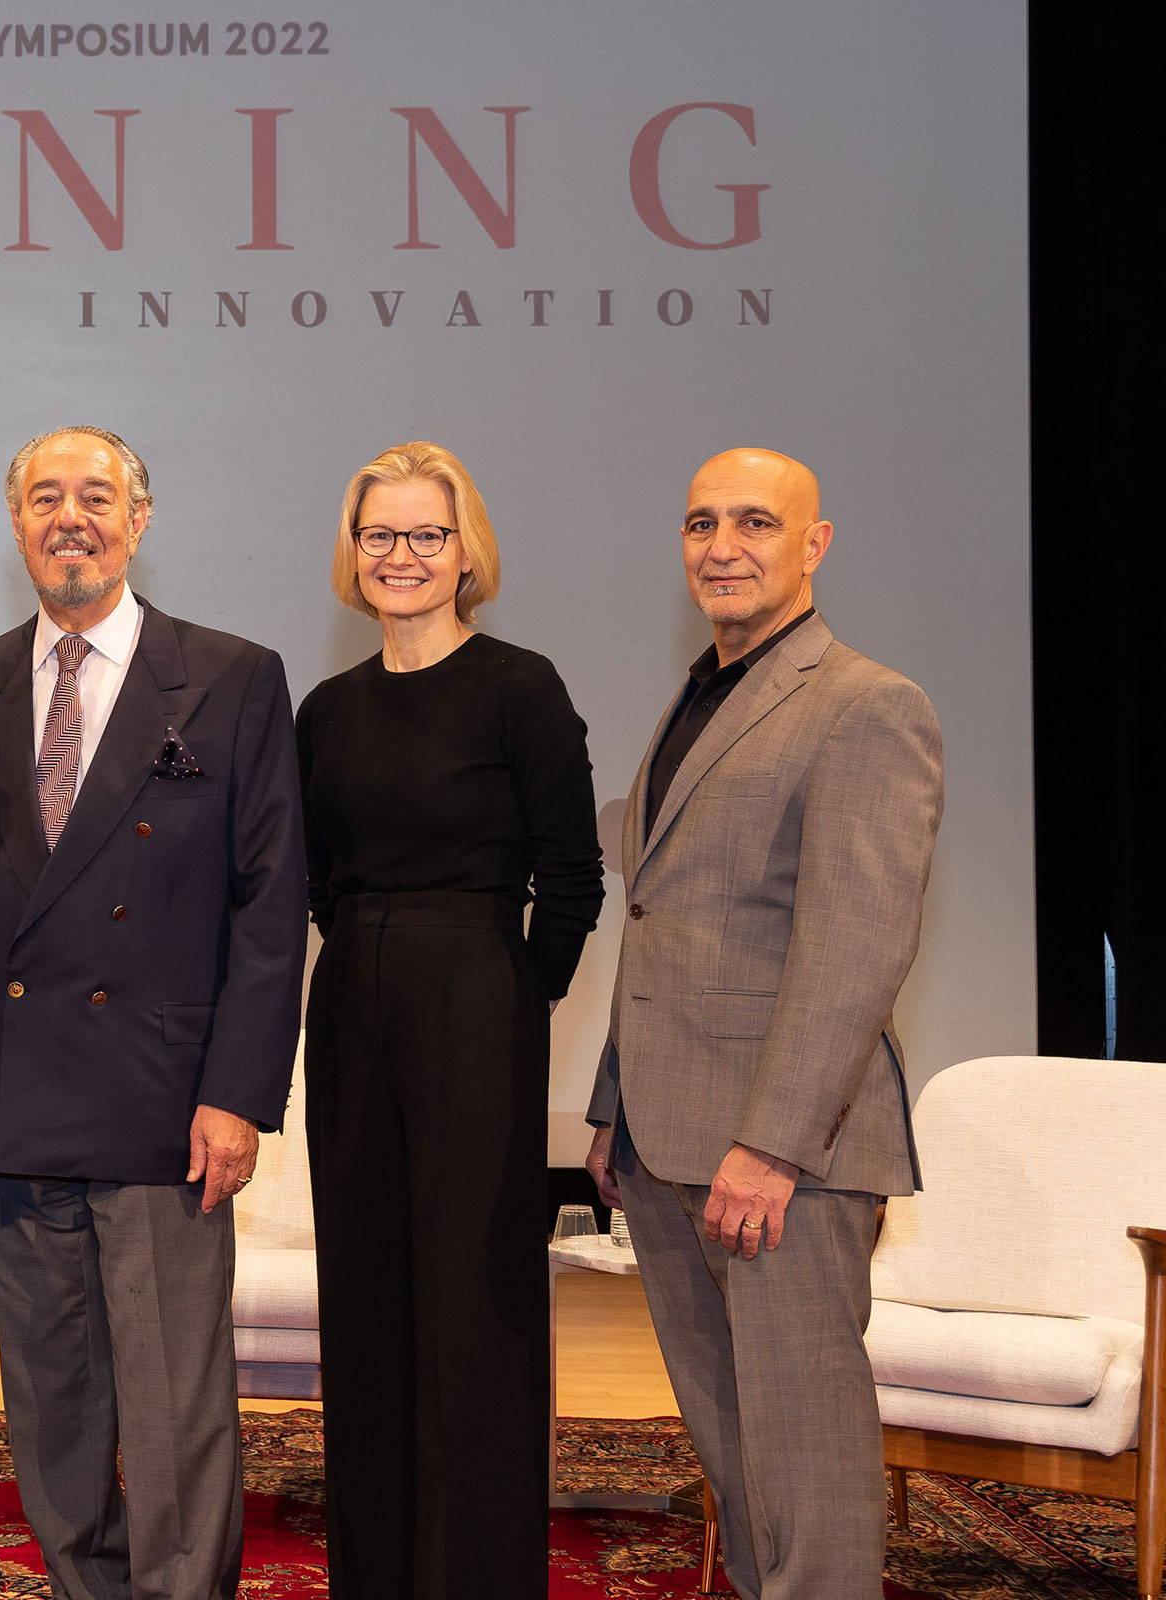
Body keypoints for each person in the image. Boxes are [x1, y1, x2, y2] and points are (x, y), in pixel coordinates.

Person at [0, 427, 307, 1600]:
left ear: (139, 520)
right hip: (19, 1108)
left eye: (96, 495)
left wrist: (237, 1093)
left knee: (174, 1404)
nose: (70, 516)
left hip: (164, 1109)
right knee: (52, 1403)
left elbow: (269, 904)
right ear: (16, 524)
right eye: (46, 496)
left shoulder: (234, 676)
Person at [585, 447, 942, 1600]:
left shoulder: (867, 704)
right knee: (739, 1462)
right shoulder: (701, 697)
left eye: (753, 522)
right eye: (700, 524)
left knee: (805, 1457)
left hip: (778, 1157)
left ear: (814, 543)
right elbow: (659, 918)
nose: (722, 547)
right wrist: (612, 1109)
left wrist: (774, 1144)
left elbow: (857, 945)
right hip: (670, 1139)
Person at [295, 441, 604, 1595]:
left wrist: (516, 997)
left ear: (465, 549)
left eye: (427, 534)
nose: (403, 557)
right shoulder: (327, 708)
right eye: (382, 535)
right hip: (353, 1001)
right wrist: (372, 952)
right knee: (367, 1295)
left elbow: (572, 876)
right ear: (354, 552)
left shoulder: (520, 685)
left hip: (479, 987)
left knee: (474, 1304)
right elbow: (318, 878)